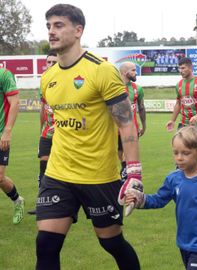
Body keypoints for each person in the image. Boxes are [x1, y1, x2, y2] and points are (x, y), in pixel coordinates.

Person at [37, 4, 141, 269]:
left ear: (78, 30)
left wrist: (134, 173)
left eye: (59, 25)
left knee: (112, 243)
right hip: (58, 173)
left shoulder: (102, 71)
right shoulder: (47, 77)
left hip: (99, 176)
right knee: (46, 245)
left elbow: (127, 125)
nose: (51, 31)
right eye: (49, 26)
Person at [125, 126, 197, 270]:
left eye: (185, 153)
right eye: (175, 153)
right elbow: (159, 200)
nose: (179, 157)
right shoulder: (173, 179)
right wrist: (140, 199)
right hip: (184, 242)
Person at [166, 57, 197, 167]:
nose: (181, 71)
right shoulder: (179, 85)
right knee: (180, 147)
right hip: (184, 122)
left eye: (183, 68)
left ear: (190, 68)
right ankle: (179, 175)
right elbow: (178, 104)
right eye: (179, 68)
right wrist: (172, 120)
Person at [28, 50, 58, 215]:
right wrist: (41, 131)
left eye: (55, 62)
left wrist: (61, 124)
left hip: (65, 134)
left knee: (65, 169)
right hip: (47, 133)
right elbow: (43, 108)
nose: (51, 65)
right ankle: (42, 203)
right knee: (43, 166)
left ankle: (68, 204)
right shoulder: (44, 81)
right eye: (49, 62)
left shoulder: (66, 80)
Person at [0, 67, 23, 225]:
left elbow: (14, 103)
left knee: (0, 177)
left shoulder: (4, 74)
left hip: (1, 134)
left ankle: (17, 201)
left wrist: (7, 131)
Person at [118, 61, 146, 181]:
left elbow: (141, 107)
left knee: (127, 157)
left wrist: (144, 125)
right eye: (133, 70)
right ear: (125, 72)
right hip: (115, 130)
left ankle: (126, 181)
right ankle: (124, 179)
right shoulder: (114, 87)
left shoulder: (137, 89)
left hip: (132, 129)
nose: (136, 73)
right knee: (121, 158)